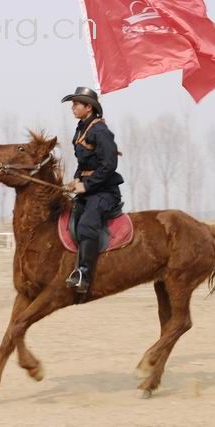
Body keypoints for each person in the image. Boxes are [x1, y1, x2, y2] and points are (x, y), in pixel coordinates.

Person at [61, 87, 124, 294]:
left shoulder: (100, 131)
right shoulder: (81, 129)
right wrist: (75, 181)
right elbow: (84, 163)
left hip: (105, 192)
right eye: (72, 105)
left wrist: (85, 185)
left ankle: (83, 274)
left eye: (76, 104)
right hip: (89, 190)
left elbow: (108, 165)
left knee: (87, 224)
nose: (72, 108)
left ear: (88, 107)